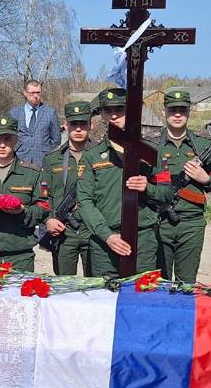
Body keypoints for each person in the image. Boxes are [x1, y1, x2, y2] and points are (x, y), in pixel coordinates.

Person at [75, 88, 172, 278]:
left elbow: (167, 193)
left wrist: (148, 189)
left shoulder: (151, 152)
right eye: (108, 111)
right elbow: (84, 201)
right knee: (105, 302)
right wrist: (107, 236)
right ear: (101, 114)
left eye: (119, 110)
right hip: (105, 242)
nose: (113, 116)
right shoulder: (91, 155)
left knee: (142, 299)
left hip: (142, 240)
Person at [152, 90, 211, 283]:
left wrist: (204, 178)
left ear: (189, 112)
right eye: (172, 109)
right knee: (158, 283)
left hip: (192, 224)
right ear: (164, 110)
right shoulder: (152, 144)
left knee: (186, 283)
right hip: (160, 222)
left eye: (182, 110)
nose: (177, 114)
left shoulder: (202, 144)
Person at [0, 115, 48, 272]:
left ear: (16, 140)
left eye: (8, 139)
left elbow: (44, 208)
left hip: (20, 257)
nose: (3, 145)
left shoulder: (33, 173)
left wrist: (23, 211)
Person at [41, 101, 94, 276]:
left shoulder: (101, 156)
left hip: (93, 230)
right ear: (66, 125)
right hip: (64, 231)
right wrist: (49, 219)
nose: (78, 129)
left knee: (96, 286)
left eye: (83, 124)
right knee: (64, 287)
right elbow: (44, 197)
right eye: (73, 124)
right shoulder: (52, 159)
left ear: (91, 125)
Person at [9, 79, 61, 167]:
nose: (36, 96)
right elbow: (10, 136)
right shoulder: (15, 112)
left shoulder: (50, 112)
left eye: (38, 92)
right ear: (25, 93)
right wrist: (18, 148)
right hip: (20, 160)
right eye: (32, 93)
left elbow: (56, 140)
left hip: (42, 162)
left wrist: (46, 151)